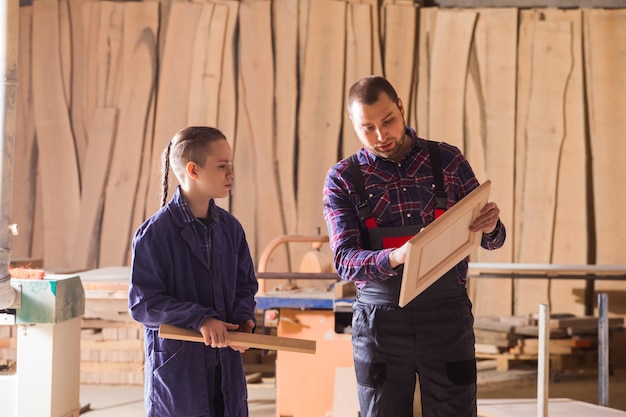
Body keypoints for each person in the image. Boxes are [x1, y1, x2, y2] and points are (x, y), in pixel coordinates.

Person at [323, 76, 506, 417]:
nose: (381, 136)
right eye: (368, 128)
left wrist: (492, 226)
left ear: (401, 107)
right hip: (380, 324)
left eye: (388, 121)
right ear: (353, 124)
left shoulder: (448, 161)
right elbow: (345, 260)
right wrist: (396, 257)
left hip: (446, 318)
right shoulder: (343, 178)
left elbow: (493, 240)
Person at [128, 126, 258, 417]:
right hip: (180, 371)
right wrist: (200, 319)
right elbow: (143, 304)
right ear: (193, 169)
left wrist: (243, 320)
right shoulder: (155, 234)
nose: (231, 173)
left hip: (226, 369)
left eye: (231, 165)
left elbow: (245, 287)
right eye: (223, 166)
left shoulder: (231, 229)